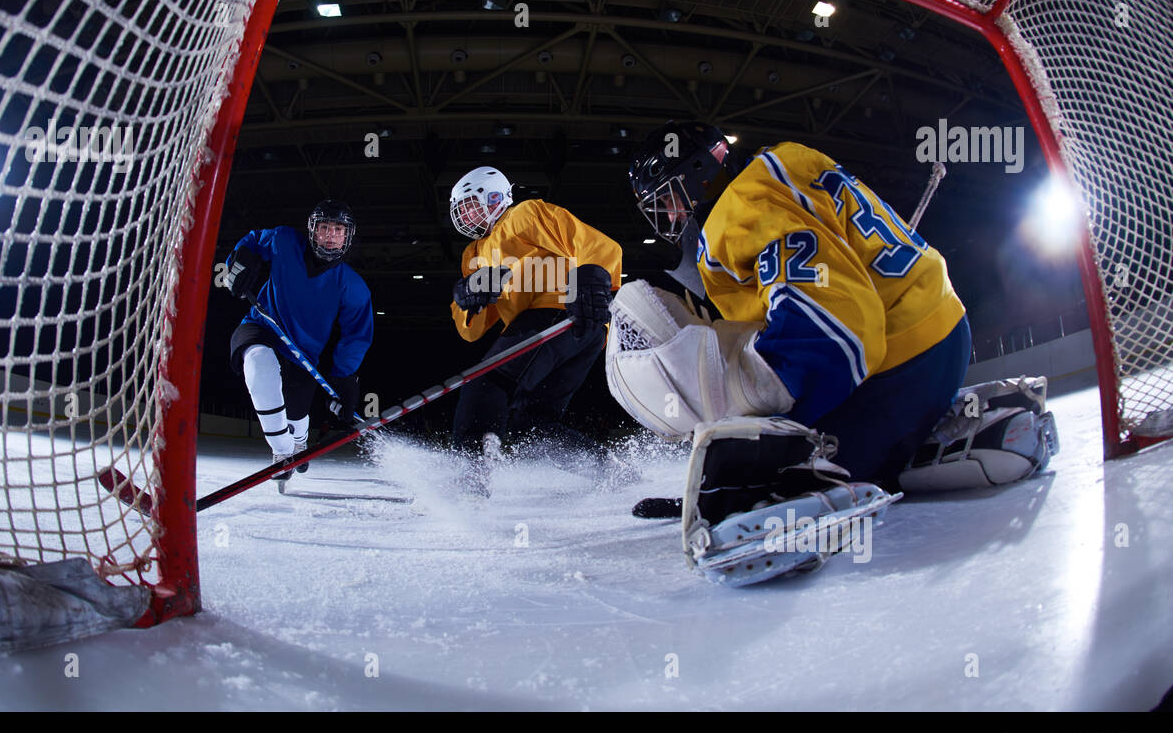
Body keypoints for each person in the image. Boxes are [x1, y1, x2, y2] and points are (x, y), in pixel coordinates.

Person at [612, 123, 1055, 583]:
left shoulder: (741, 207)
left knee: (769, 471)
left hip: (896, 368)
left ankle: (796, 487)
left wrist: (766, 423)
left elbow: (840, 328)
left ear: (697, 175)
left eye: (667, 199)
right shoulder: (783, 160)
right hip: (934, 336)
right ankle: (936, 438)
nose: (669, 215)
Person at [447, 165, 623, 489]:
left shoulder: (524, 215)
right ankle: (610, 472)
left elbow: (594, 244)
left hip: (559, 313)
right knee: (529, 423)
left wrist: (589, 278)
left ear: (495, 197)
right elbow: (471, 330)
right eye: (462, 210)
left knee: (486, 381)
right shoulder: (474, 252)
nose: (468, 215)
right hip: (570, 335)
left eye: (472, 204)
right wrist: (468, 299)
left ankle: (469, 476)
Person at [223, 199, 373, 483]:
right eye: (325, 228)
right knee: (257, 361)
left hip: (302, 354)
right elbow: (254, 241)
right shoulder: (284, 240)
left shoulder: (352, 286)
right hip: (262, 326)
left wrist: (344, 377)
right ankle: (282, 453)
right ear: (312, 230)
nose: (331, 235)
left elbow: (356, 334)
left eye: (339, 230)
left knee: (297, 416)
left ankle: (299, 438)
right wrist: (240, 259)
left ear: (348, 236)